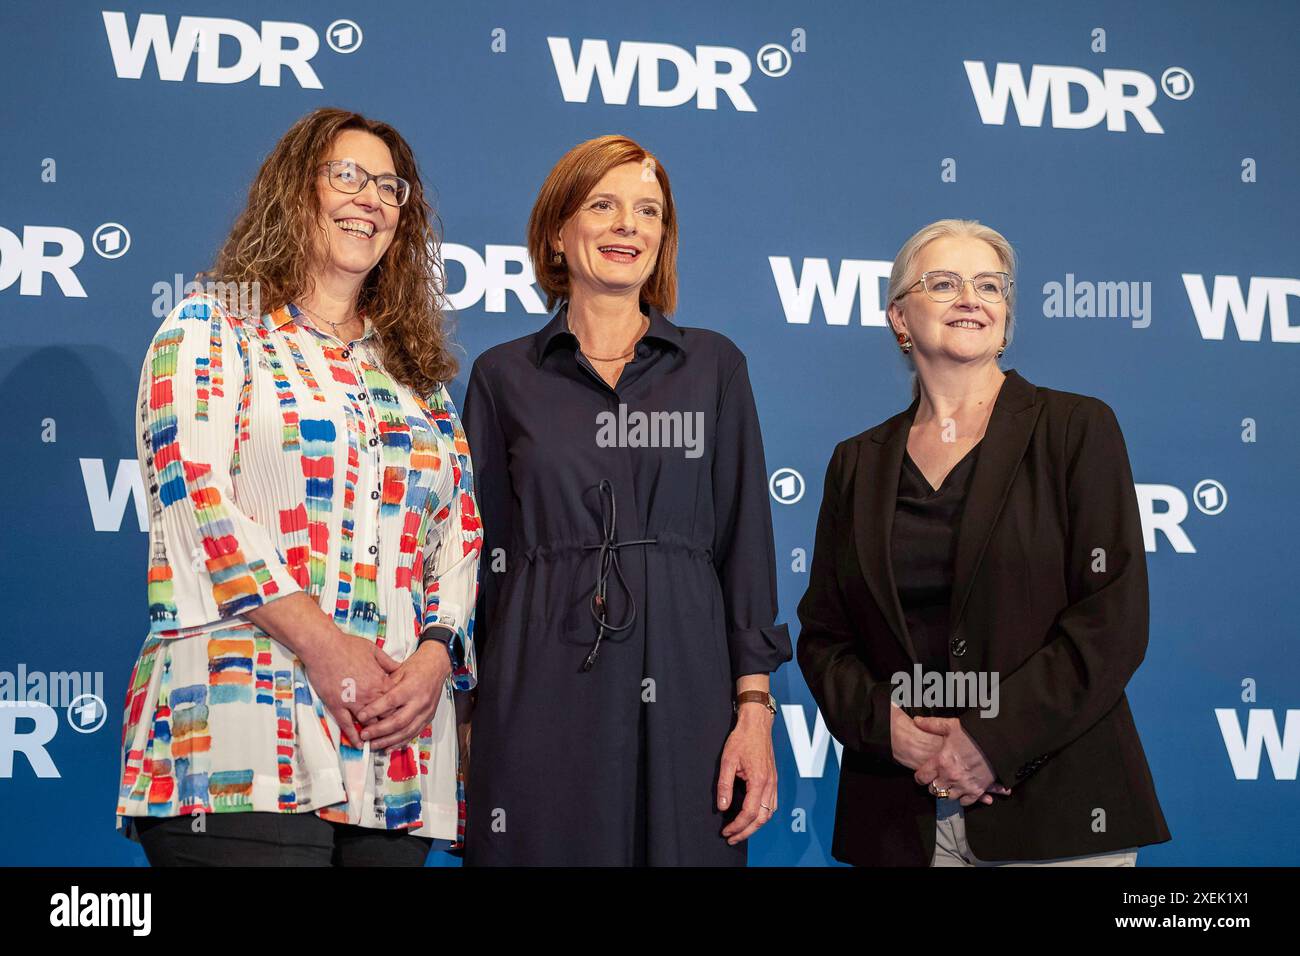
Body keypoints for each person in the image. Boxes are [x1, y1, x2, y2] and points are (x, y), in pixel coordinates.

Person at [115, 107, 481, 866]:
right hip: (241, 738)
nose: (370, 198)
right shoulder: (214, 326)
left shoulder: (416, 373)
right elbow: (197, 505)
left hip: (394, 756)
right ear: (294, 191)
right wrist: (324, 645)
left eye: (389, 186)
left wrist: (437, 655)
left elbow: (461, 535)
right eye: (345, 175)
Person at [796, 219, 1171, 866]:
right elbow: (826, 637)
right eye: (943, 283)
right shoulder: (855, 462)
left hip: (1056, 808)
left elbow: (1112, 618)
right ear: (899, 318)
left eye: (990, 285)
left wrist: (992, 741)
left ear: (1005, 315)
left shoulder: (1076, 429)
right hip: (899, 814)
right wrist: (892, 732)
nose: (972, 297)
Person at [461, 135, 790, 865]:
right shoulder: (501, 376)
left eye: (648, 211)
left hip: (687, 681)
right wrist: (463, 721)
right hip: (538, 675)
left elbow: (745, 548)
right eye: (602, 205)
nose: (627, 226)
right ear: (557, 231)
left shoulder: (713, 366)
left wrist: (754, 712)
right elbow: (476, 566)